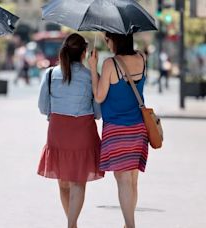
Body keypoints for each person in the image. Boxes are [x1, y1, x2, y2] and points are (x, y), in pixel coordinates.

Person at [37, 33, 104, 228]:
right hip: (83, 129)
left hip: (58, 130)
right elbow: (98, 112)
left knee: (63, 182)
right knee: (78, 181)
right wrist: (94, 70)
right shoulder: (91, 76)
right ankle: (71, 224)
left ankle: (71, 224)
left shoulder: (50, 74)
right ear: (85, 53)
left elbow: (43, 108)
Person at [89, 32, 149, 228]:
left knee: (123, 180)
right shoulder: (142, 57)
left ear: (114, 40)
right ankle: (128, 224)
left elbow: (99, 97)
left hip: (116, 129)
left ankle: (130, 225)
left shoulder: (109, 64)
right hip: (139, 128)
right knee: (132, 179)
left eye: (107, 39)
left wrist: (92, 69)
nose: (107, 43)